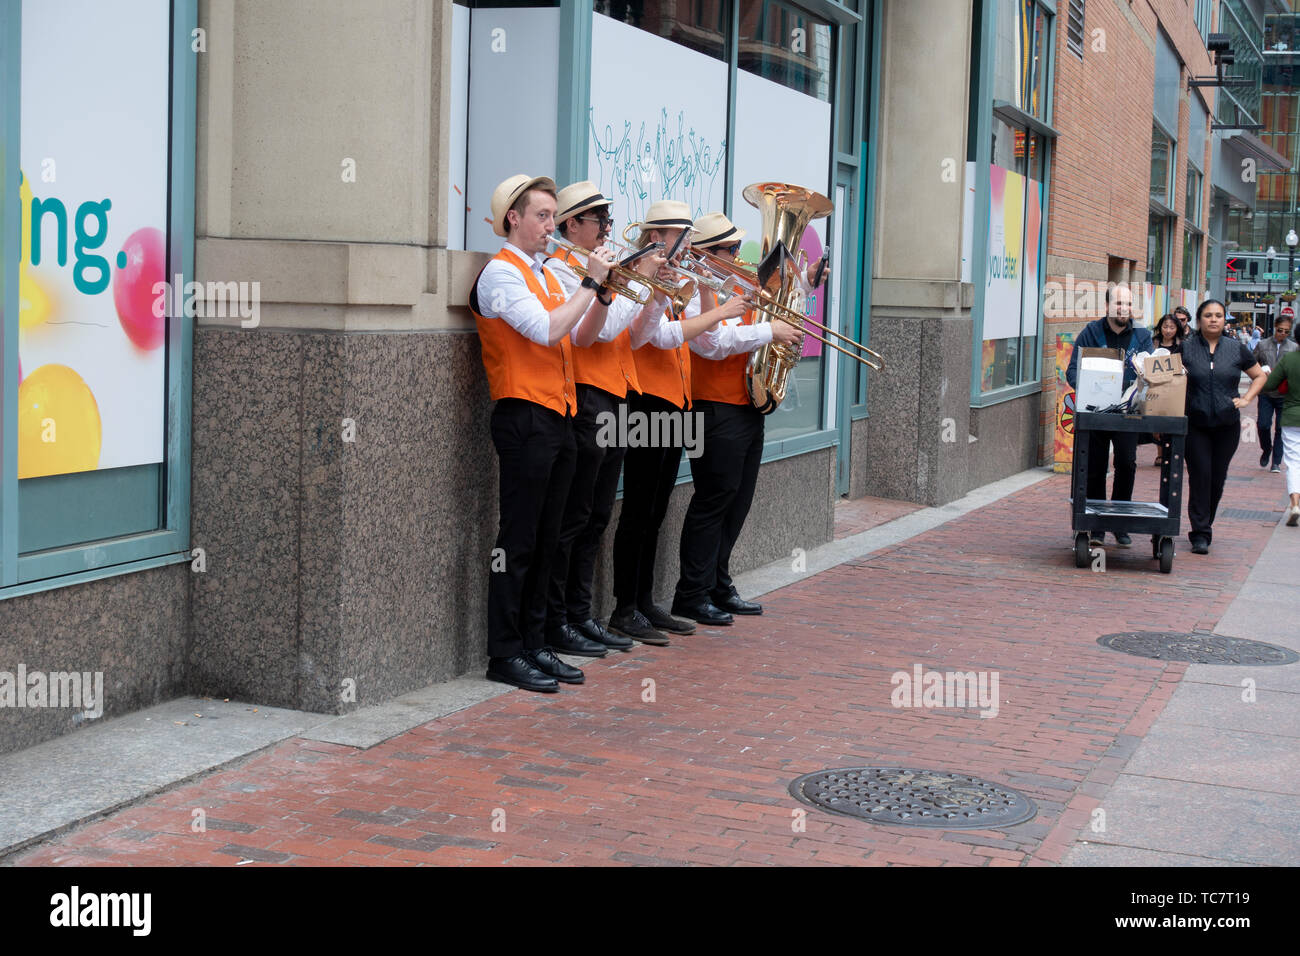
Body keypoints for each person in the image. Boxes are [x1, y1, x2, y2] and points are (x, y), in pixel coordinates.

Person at [469, 173, 615, 692]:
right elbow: (545, 330)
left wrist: (601, 295)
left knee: (550, 537)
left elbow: (582, 336)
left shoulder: (550, 275)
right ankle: (505, 652)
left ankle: (536, 644)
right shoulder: (500, 274)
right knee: (520, 539)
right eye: (542, 216)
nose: (551, 225)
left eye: (554, 216)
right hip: (523, 416)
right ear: (515, 218)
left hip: (560, 414)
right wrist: (591, 284)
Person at [607, 201, 746, 644]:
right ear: (656, 236)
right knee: (638, 510)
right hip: (647, 402)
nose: (685, 245)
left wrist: (704, 291)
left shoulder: (678, 279)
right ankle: (624, 607)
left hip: (676, 403)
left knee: (657, 510)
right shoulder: (644, 277)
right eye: (678, 237)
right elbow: (655, 335)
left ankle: (645, 602)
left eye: (688, 236)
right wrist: (675, 296)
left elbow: (701, 338)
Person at [542, 181, 670, 656]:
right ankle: (561, 620)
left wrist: (651, 293)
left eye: (608, 222)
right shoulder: (561, 270)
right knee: (574, 518)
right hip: (587, 397)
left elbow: (634, 339)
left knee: (596, 516)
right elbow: (594, 334)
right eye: (599, 222)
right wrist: (633, 284)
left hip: (617, 396)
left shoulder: (598, 270)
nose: (606, 231)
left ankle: (581, 614)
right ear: (572, 224)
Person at [670, 212, 803, 625]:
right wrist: (770, 334)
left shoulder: (739, 283)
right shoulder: (694, 289)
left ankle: (717, 582)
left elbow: (777, 310)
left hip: (745, 405)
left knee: (737, 501)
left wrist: (803, 285)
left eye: (736, 248)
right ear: (706, 254)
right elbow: (711, 344)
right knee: (712, 501)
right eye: (730, 249)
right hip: (709, 407)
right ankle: (691, 594)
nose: (739, 256)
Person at [1065, 283, 1153, 547]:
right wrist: (1089, 386)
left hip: (1128, 412)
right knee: (1094, 467)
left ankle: (1120, 522)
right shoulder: (1091, 332)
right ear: (1107, 306)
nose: (1123, 309)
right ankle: (1097, 525)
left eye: (1127, 304)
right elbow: (1071, 371)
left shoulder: (1142, 335)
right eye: (1118, 303)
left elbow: (1150, 372)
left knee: (1126, 463)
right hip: (1096, 412)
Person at [1180, 298, 1270, 554]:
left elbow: (1260, 375)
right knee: (1200, 475)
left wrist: (1247, 399)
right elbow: (1169, 378)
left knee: (1217, 479)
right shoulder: (1186, 349)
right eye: (1208, 315)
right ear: (1199, 320)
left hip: (1226, 425)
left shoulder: (1236, 348)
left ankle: (1206, 521)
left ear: (1224, 319)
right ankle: (1200, 532)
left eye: (1218, 315)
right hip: (1195, 423)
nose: (1213, 319)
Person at [1259, 338, 1300, 525]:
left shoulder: (1289, 360)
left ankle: (1295, 503)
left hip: (1292, 416)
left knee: (1293, 462)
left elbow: (1269, 385)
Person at [1253, 315, 1297, 473]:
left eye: (1286, 331)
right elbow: (1251, 362)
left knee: (1280, 428)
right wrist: (1261, 370)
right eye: (1280, 330)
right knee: (1263, 425)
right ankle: (1266, 449)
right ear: (1275, 328)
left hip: (1285, 394)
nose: (1283, 334)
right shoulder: (1262, 344)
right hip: (1266, 391)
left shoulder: (1293, 348)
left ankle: (1276, 462)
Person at [1149, 312, 1185, 468]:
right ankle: (1160, 454)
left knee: (1173, 419)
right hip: (1157, 385)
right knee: (1158, 421)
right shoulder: (1153, 343)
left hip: (1176, 386)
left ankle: (1173, 452)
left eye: (1172, 327)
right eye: (1165, 326)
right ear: (1160, 327)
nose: (1168, 330)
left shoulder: (1183, 344)